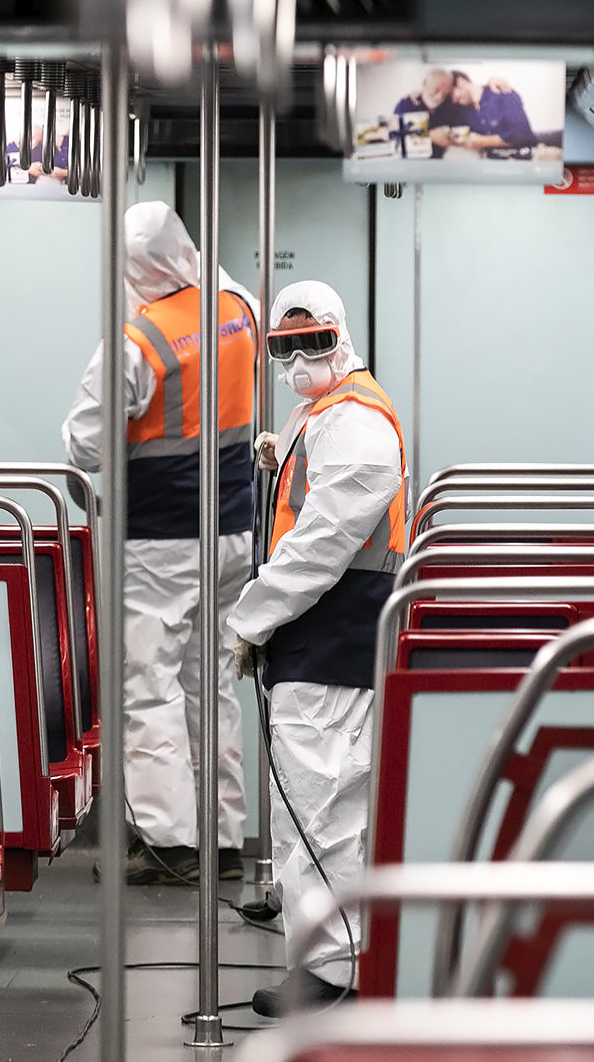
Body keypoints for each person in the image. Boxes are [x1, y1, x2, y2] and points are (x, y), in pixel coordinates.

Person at [62, 201, 259, 885]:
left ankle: (172, 843)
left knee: (148, 688)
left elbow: (83, 442)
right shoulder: (240, 309)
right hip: (233, 531)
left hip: (161, 540)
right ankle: (226, 837)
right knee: (212, 687)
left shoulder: (135, 341)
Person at [226, 280, 407, 1016]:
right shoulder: (328, 412)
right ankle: (337, 957)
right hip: (327, 636)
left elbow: (321, 543)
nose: (299, 358)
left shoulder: (356, 426)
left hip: (331, 637)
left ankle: (329, 970)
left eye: (314, 341)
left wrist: (250, 618)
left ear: (343, 337)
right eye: (284, 345)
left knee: (317, 808)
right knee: (326, 807)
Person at [448, 71, 537, 153]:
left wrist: (482, 141)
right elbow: (455, 135)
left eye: (451, 94)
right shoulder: (462, 113)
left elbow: (523, 134)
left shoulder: (501, 93)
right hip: (488, 164)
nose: (453, 101)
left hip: (519, 160)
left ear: (460, 81)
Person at [389, 67, 451, 158]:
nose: (440, 97)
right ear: (425, 83)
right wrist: (430, 135)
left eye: (445, 93)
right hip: (410, 164)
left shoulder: (446, 106)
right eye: (436, 90)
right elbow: (394, 133)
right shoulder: (407, 103)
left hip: (437, 164)